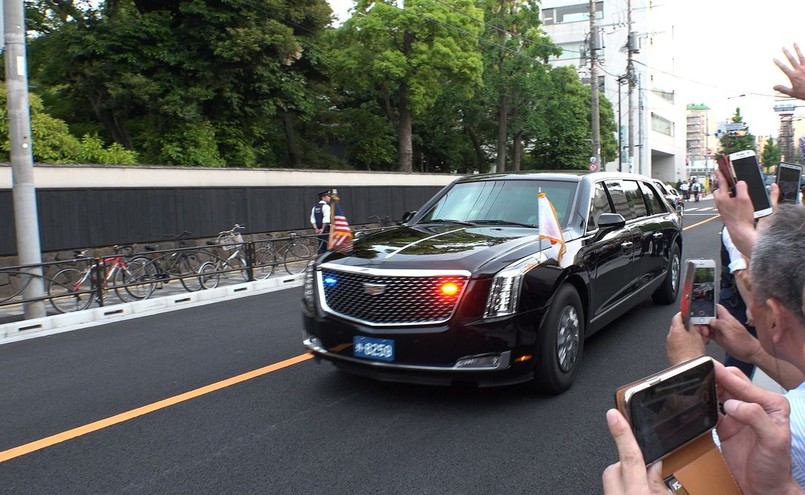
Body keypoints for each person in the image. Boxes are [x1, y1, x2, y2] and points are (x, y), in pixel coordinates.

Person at [607, 204, 805, 494]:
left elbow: (706, 465)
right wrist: (752, 350)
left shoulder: (794, 425)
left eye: (752, 291)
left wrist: (688, 366)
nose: (749, 306)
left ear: (774, 318)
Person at [310, 190, 331, 255]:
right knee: (327, 246)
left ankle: (319, 258)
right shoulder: (326, 207)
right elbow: (326, 219)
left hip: (318, 229)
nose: (329, 198)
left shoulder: (315, 207)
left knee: (321, 245)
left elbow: (312, 219)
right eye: (328, 196)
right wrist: (322, 229)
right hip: (325, 229)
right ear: (323, 197)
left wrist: (316, 229)